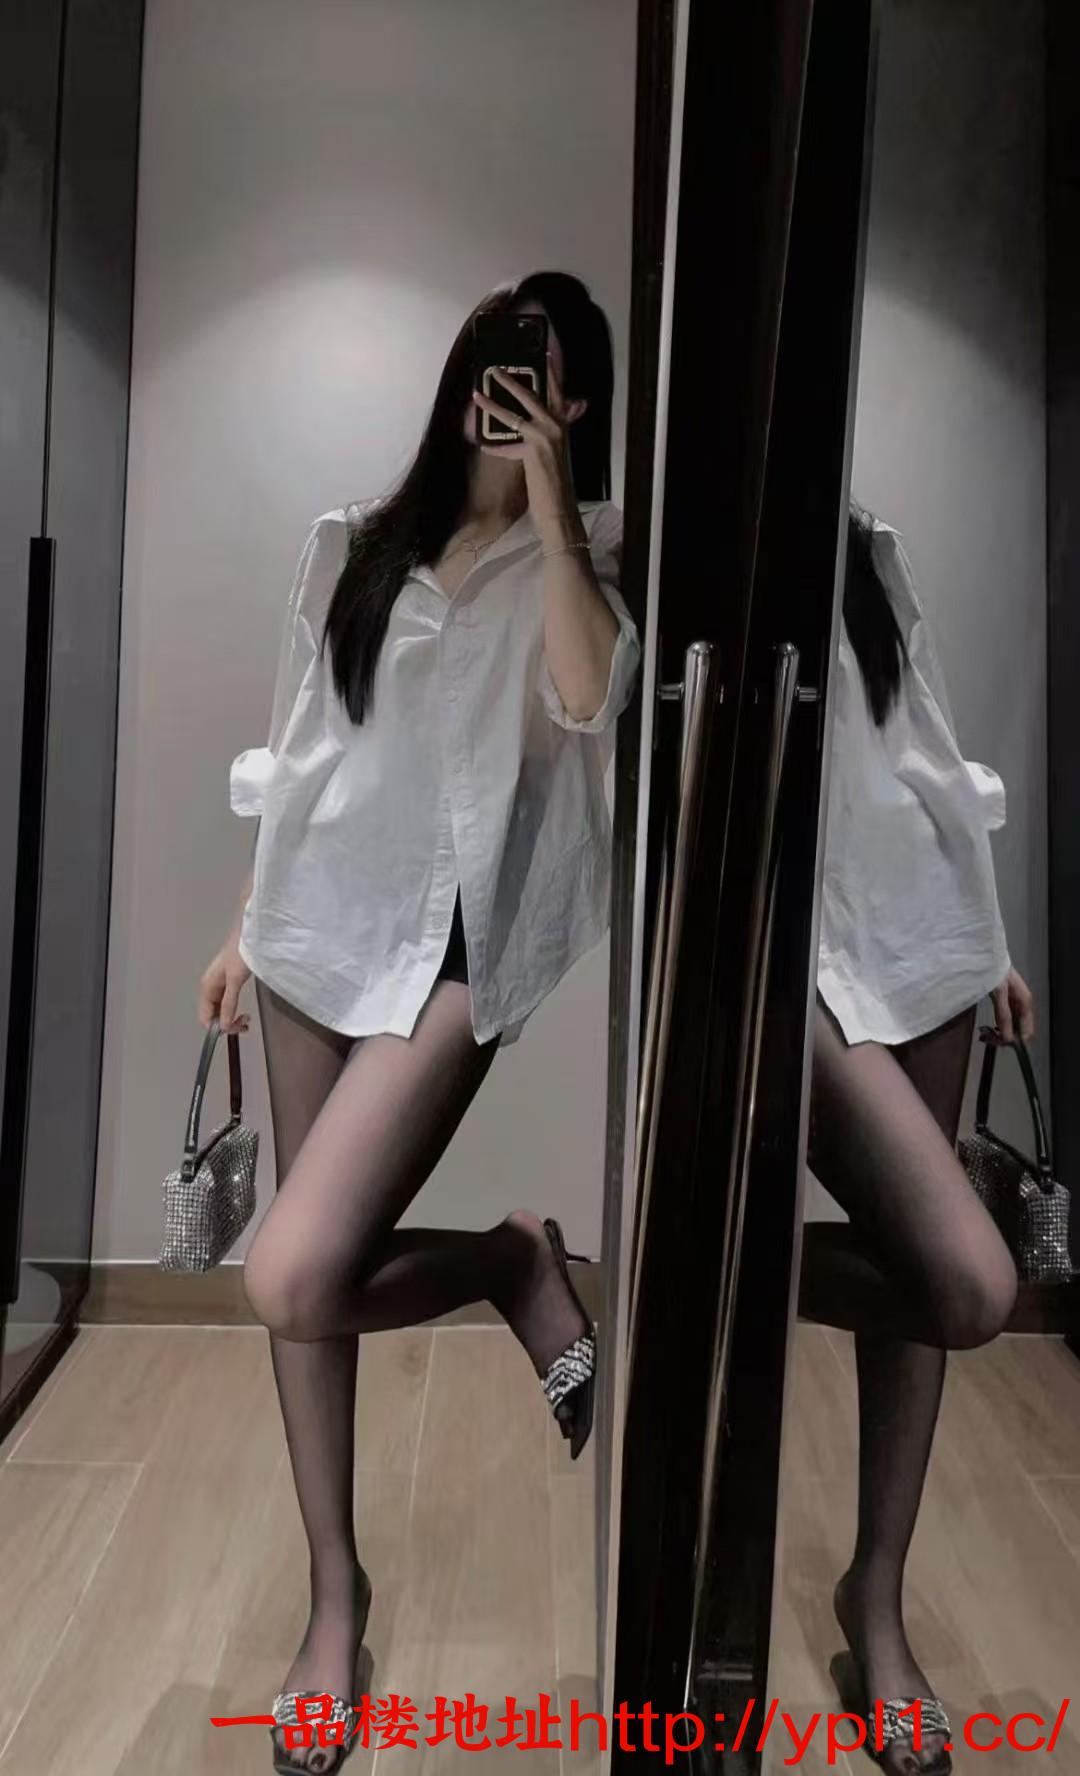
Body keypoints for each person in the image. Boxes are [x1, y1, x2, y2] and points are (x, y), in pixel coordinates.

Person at [198, 270, 641, 1775]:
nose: (503, 388)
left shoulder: (593, 563)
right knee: (307, 1295)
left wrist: (556, 506)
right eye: (491, 358)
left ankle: (512, 1269)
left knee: (291, 1270)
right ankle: (336, 1599)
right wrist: (243, 923)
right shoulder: (357, 543)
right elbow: (304, 749)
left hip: (454, 954)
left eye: (541, 371)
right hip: (312, 930)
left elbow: (587, 701)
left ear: (575, 404)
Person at [807, 504, 1033, 1776]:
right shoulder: (671, 538)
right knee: (963, 1279)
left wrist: (989, 946)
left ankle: (878, 1603)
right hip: (798, 956)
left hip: (925, 936)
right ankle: (665, 1277)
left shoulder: (870, 546)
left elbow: (927, 750)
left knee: (918, 1279)